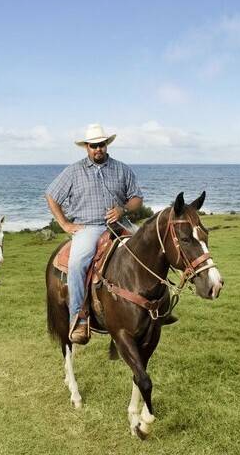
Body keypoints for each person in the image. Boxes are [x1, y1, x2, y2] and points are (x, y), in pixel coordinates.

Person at [45, 124, 144, 345]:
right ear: (86, 147)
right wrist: (64, 224)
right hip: (89, 228)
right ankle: (79, 319)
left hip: (120, 224)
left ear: (106, 145)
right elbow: (51, 196)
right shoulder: (73, 171)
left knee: (149, 249)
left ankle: (158, 306)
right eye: (93, 146)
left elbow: (137, 198)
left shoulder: (122, 169)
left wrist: (122, 209)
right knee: (78, 263)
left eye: (101, 145)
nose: (97, 149)